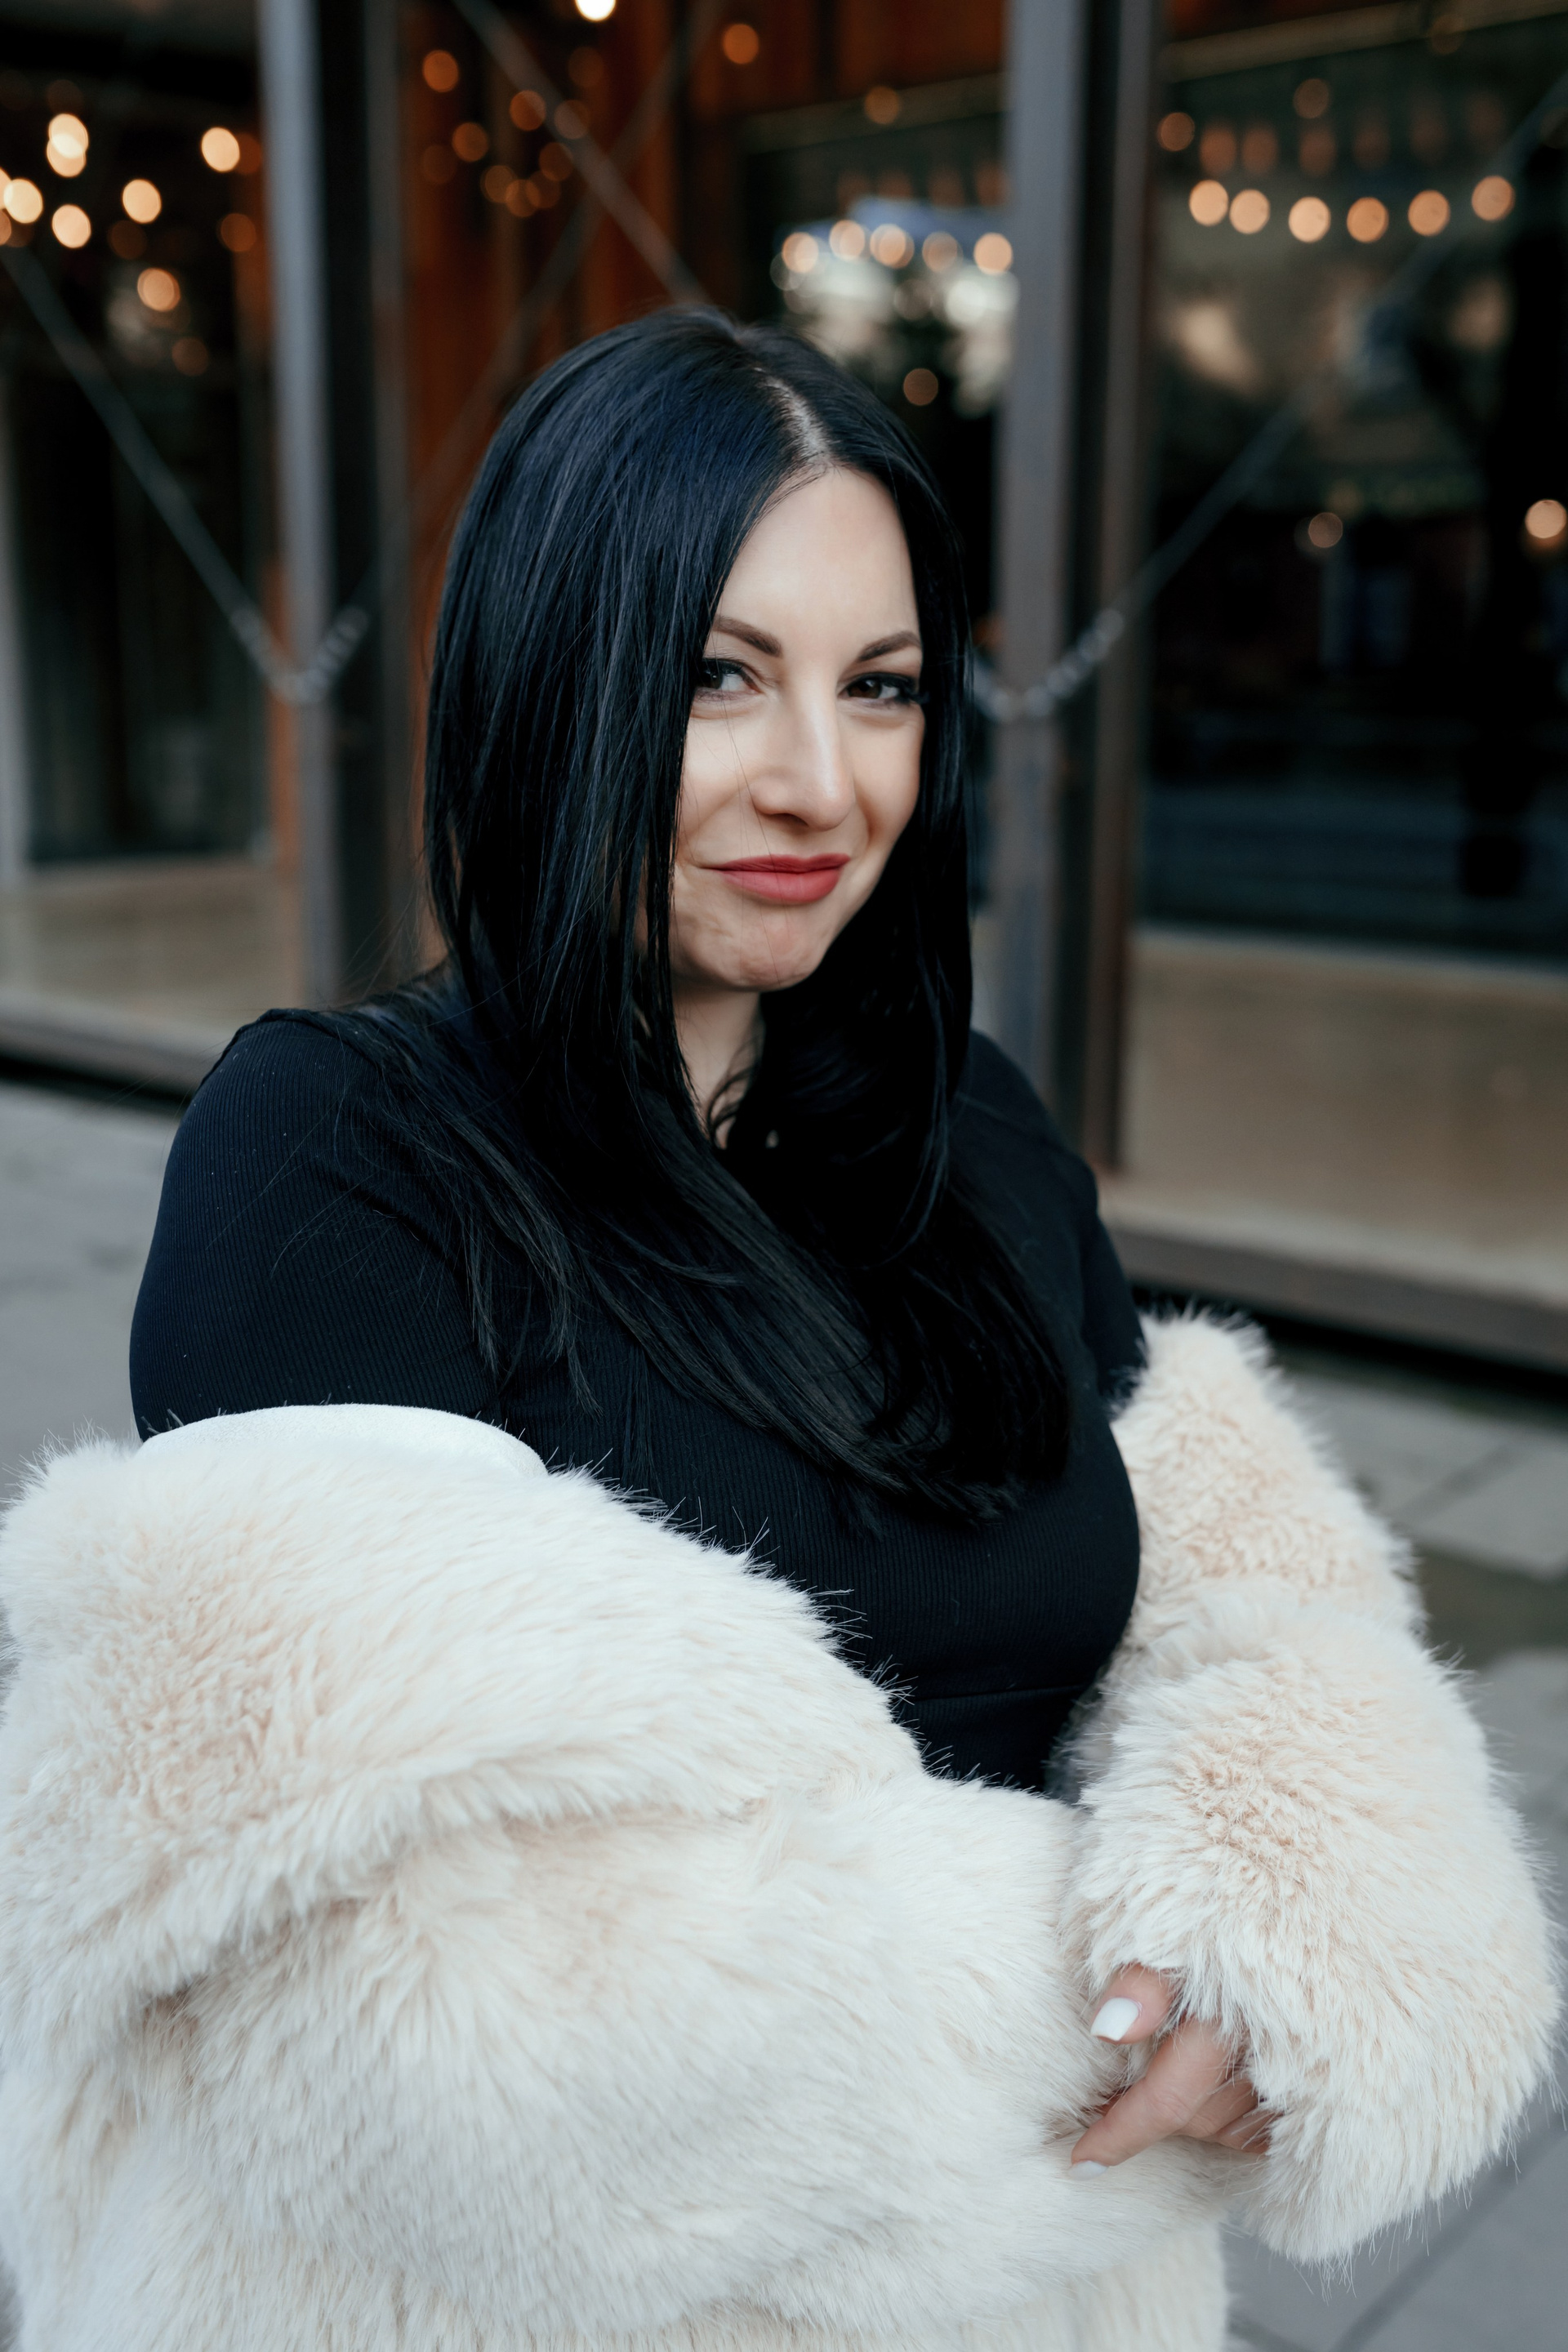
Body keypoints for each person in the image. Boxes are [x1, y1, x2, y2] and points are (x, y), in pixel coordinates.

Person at [0, 314, 1552, 2352]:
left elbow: (1247, 1609)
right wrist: (1131, 2007)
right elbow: (415, 1987)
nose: (822, 781)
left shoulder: (973, 1135)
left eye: (881, 686)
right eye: (721, 675)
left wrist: (1315, 1903)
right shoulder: (338, 1151)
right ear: (556, 677)